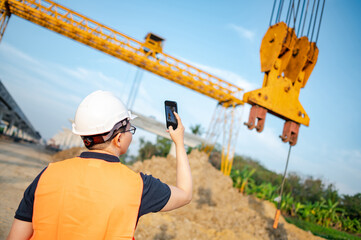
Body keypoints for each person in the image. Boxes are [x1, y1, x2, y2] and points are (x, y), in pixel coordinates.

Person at [7, 90, 193, 240]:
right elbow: (185, 193)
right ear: (119, 139)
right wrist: (179, 142)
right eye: (130, 129)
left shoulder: (48, 174)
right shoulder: (138, 187)